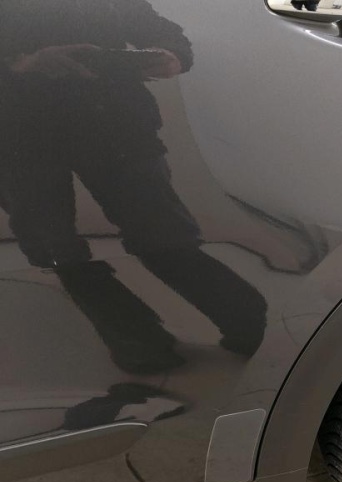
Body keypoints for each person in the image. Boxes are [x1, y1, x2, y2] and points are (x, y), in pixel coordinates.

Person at [0, 0, 267, 375]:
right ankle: (140, 339)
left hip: (114, 127)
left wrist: (170, 56)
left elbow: (158, 29)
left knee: (163, 234)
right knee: (56, 249)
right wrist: (20, 66)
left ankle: (249, 326)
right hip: (20, 138)